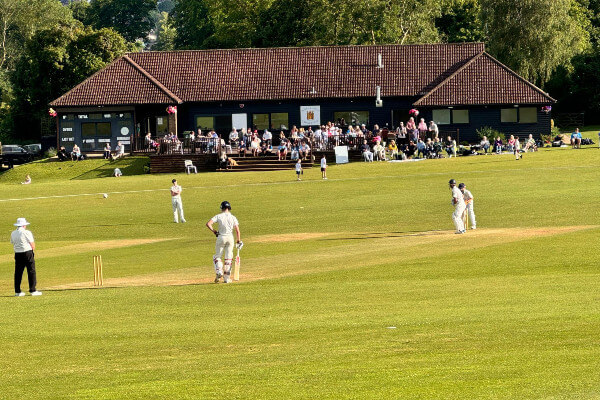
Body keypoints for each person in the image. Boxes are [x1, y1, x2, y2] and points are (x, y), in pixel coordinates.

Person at [206, 201, 241, 283]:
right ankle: (226, 278)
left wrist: (214, 231)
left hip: (221, 237)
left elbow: (208, 224)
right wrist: (238, 240)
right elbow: (237, 231)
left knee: (217, 256)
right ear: (229, 208)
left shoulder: (218, 216)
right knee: (228, 258)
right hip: (230, 238)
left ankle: (219, 271)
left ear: (222, 208)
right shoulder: (233, 217)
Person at [10, 218, 41, 296]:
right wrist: (32, 252)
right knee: (31, 271)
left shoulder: (13, 233)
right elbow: (32, 245)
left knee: (18, 272)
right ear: (24, 225)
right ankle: (32, 290)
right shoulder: (27, 232)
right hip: (27, 252)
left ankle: (17, 291)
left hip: (17, 253)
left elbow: (13, 243)